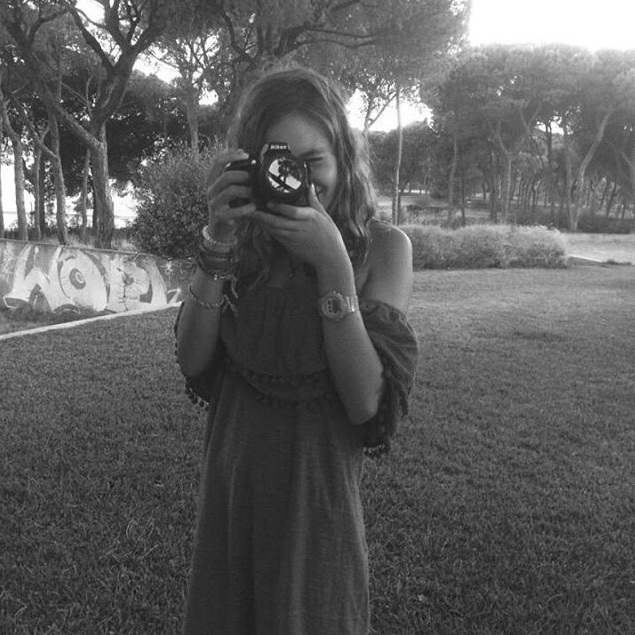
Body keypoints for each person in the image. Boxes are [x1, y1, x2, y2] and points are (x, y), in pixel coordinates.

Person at [175, 66, 419, 635]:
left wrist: (332, 263)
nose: (298, 179)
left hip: (317, 502)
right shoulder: (241, 237)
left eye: (314, 162)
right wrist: (217, 238)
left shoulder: (383, 249)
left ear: (343, 159)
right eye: (280, 162)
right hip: (231, 490)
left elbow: (366, 403)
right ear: (252, 164)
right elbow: (193, 360)